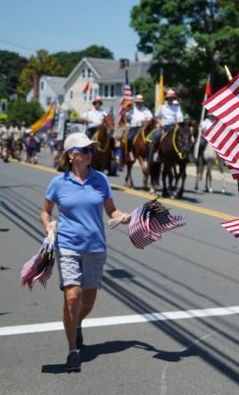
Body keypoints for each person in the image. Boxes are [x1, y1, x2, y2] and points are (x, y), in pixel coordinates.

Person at [39, 132, 131, 372]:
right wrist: (48, 224)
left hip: (95, 247)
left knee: (87, 302)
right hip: (67, 246)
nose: (91, 153)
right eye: (86, 150)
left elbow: (111, 210)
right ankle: (72, 351)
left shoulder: (100, 179)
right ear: (72, 155)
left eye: (92, 150)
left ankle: (76, 322)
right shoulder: (58, 183)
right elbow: (45, 211)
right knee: (72, 297)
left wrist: (123, 217)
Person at [148, 89, 184, 163]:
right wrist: (161, 123)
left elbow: (180, 116)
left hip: (174, 127)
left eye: (172, 98)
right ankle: (155, 154)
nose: (171, 99)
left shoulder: (177, 107)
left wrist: (179, 120)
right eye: (169, 98)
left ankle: (184, 155)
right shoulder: (162, 107)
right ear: (167, 98)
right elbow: (156, 117)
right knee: (157, 136)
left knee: (184, 137)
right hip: (164, 127)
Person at [125, 94, 153, 162]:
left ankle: (151, 153)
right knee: (129, 138)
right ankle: (130, 152)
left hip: (144, 128)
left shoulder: (146, 109)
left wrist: (146, 120)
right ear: (135, 102)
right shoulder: (132, 109)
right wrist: (126, 110)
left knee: (152, 139)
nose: (139, 103)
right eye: (137, 102)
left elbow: (151, 117)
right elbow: (127, 117)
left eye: (140, 102)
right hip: (135, 127)